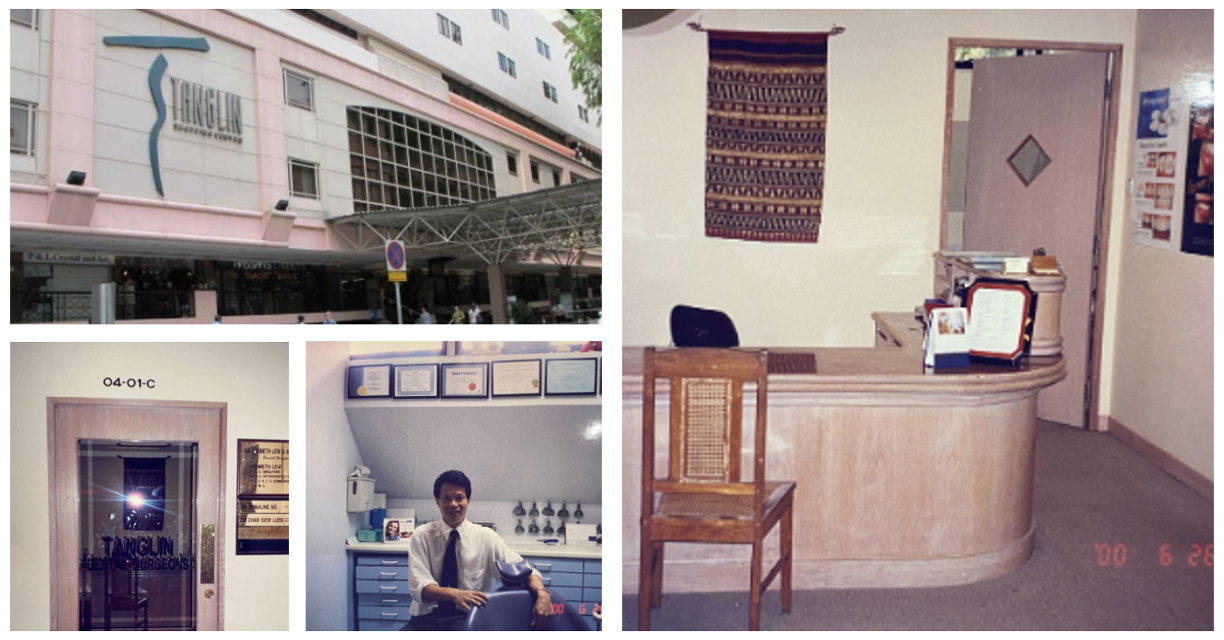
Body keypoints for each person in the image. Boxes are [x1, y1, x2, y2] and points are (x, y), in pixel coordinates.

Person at [405, 470, 553, 631]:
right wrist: (455, 594)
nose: (453, 504)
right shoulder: (421, 535)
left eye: (459, 498)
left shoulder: (486, 537)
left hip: (465, 617)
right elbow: (420, 587)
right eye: (446, 498)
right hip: (424, 617)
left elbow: (524, 571)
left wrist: (542, 593)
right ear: (437, 501)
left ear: (468, 500)